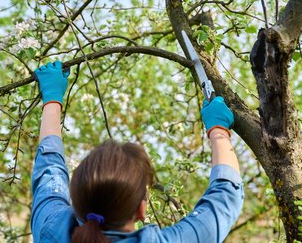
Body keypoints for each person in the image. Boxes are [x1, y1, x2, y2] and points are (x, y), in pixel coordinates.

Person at [31, 61, 244, 243]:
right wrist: (218, 131)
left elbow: (50, 169)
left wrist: (51, 97)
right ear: (142, 211)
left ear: (77, 199)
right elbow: (226, 196)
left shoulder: (51, 229)